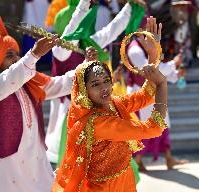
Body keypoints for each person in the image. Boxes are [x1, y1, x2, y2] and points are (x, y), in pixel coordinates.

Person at [52, 17, 168, 192]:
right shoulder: (98, 123)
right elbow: (153, 128)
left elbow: (144, 96)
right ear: (84, 91)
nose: (105, 88)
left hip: (124, 180)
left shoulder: (112, 104)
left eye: (107, 80)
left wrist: (152, 54)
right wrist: (162, 84)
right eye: (95, 84)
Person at [0, 8, 74, 192]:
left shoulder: (31, 84)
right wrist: (33, 56)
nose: (16, 59)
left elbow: (60, 84)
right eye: (9, 55)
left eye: (17, 54)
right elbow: (6, 82)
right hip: (9, 167)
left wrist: (86, 68)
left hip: (36, 164)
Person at [46, 0, 146, 168]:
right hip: (71, 117)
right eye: (84, 18)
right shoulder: (60, 50)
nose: (87, 20)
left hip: (96, 113)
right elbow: (72, 30)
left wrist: (130, 6)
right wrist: (83, 5)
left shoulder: (91, 43)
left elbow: (113, 29)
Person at [126, 34, 188, 170]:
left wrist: (176, 75)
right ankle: (137, 161)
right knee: (146, 129)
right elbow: (151, 70)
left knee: (163, 125)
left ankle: (168, 158)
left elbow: (161, 71)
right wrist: (174, 63)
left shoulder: (151, 46)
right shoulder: (134, 50)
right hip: (140, 95)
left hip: (154, 93)